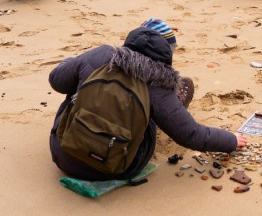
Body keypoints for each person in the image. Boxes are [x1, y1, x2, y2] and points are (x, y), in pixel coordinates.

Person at [49, 20, 246, 181]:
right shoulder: (159, 82)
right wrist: (231, 140)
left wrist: (71, 62)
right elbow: (190, 134)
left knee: (76, 91)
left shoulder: (101, 55)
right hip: (114, 167)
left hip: (63, 153)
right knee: (151, 111)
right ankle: (172, 106)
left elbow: (56, 81)